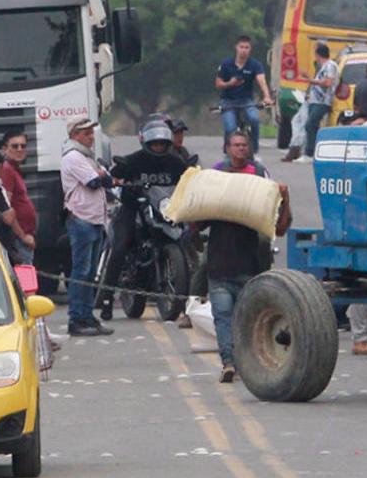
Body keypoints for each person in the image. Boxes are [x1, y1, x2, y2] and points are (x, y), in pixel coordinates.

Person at [201, 130, 288, 383]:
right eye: (235, 145)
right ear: (226, 148)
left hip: (250, 266)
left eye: (244, 145)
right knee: (223, 318)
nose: (240, 149)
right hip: (219, 265)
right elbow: (198, 221)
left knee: (247, 320)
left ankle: (244, 362)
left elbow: (277, 223)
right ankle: (229, 362)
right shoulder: (216, 174)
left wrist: (286, 198)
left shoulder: (259, 174)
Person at [97, 120, 191, 318]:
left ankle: (190, 300)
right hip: (134, 209)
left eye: (161, 143)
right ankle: (106, 298)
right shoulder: (134, 160)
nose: (158, 147)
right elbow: (114, 176)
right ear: (146, 143)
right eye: (154, 143)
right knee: (120, 247)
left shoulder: (175, 162)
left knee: (189, 240)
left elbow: (188, 178)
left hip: (165, 210)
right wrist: (118, 180)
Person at [59, 116, 113, 337]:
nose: (91, 137)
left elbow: (107, 179)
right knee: (80, 272)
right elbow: (94, 181)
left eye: (91, 132)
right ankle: (76, 319)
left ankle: (88, 316)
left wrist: (102, 175)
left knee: (90, 273)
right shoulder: (73, 157)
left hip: (95, 219)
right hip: (81, 219)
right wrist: (101, 175)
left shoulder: (87, 157)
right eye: (87, 133)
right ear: (75, 135)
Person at [216, 35, 274, 156]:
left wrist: (267, 96)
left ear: (250, 49)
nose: (244, 50)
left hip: (246, 101)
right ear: (236, 48)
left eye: (247, 47)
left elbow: (261, 80)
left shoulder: (254, 64)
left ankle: (255, 151)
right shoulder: (226, 64)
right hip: (228, 101)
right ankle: (228, 152)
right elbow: (218, 83)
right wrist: (230, 83)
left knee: (254, 119)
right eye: (241, 47)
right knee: (230, 128)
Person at [285, 43, 339, 162]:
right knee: (311, 126)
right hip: (314, 100)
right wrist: (309, 78)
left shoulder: (330, 66)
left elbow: (328, 82)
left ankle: (310, 153)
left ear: (318, 54)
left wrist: (310, 80)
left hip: (323, 101)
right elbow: (321, 81)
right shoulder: (323, 67)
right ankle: (309, 151)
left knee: (310, 124)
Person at [0, 130, 39, 263]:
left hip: (22, 237)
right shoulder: (7, 170)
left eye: (23, 146)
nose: (20, 149)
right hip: (18, 240)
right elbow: (6, 207)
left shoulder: (14, 169)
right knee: (25, 281)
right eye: (15, 146)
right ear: (4, 149)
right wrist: (23, 236)